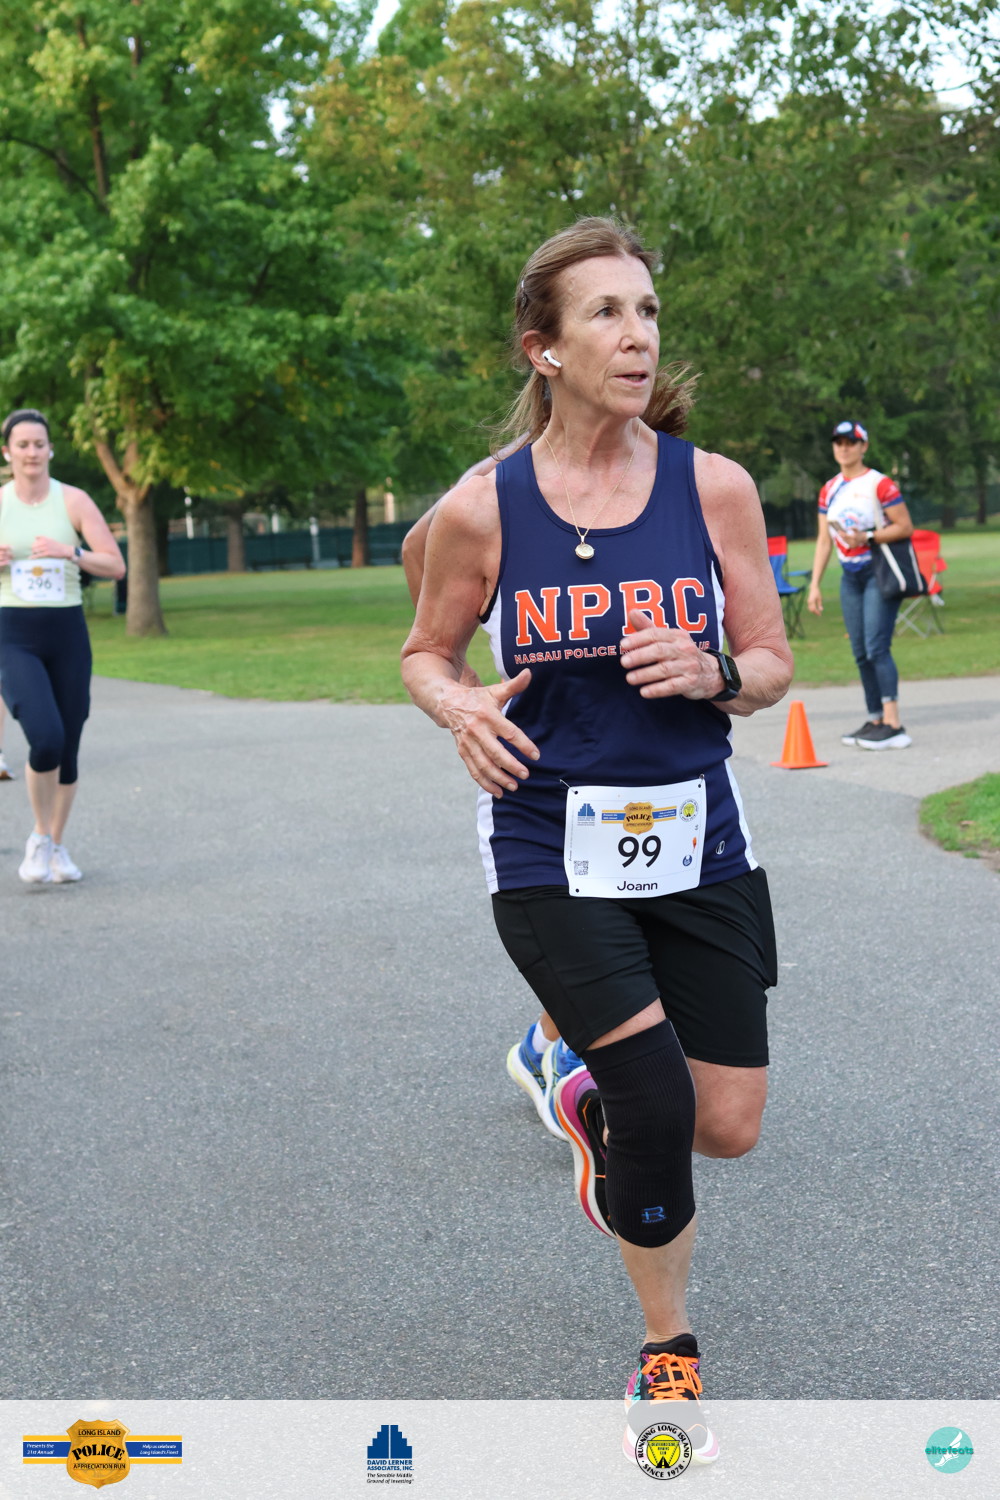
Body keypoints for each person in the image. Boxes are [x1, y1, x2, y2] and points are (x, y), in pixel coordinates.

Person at [401, 218, 792, 1460]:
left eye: (648, 311)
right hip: (544, 841)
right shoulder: (483, 509)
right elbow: (424, 652)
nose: (638, 337)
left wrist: (716, 670)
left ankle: (568, 1082)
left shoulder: (712, 487)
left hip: (696, 835)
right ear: (544, 349)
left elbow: (772, 662)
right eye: (607, 314)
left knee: (728, 1122)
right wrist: (462, 707)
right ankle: (667, 1353)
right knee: (657, 1101)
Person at [403, 465, 585, 1142]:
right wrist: (458, 676)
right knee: (591, 925)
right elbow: (416, 546)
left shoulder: (676, 471)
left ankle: (544, 1046)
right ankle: (573, 1062)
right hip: (546, 756)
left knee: (633, 921)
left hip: (652, 758)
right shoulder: (510, 473)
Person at [0, 408, 126, 883]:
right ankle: (39, 836)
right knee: (46, 737)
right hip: (13, 635)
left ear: (51, 449)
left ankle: (55, 845)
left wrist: (70, 551)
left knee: (68, 748)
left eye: (39, 444)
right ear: (7, 452)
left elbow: (115, 565)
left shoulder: (73, 501)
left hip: (67, 633)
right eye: (23, 445)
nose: (32, 452)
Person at [807, 420, 915, 749]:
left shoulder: (879, 484)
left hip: (877, 573)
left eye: (851, 442)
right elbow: (824, 540)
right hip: (850, 577)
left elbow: (905, 526)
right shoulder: (829, 489)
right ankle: (875, 718)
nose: (844, 448)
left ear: (863, 446)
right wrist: (815, 584)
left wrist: (867, 537)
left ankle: (894, 724)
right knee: (859, 652)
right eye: (838, 442)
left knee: (876, 647)